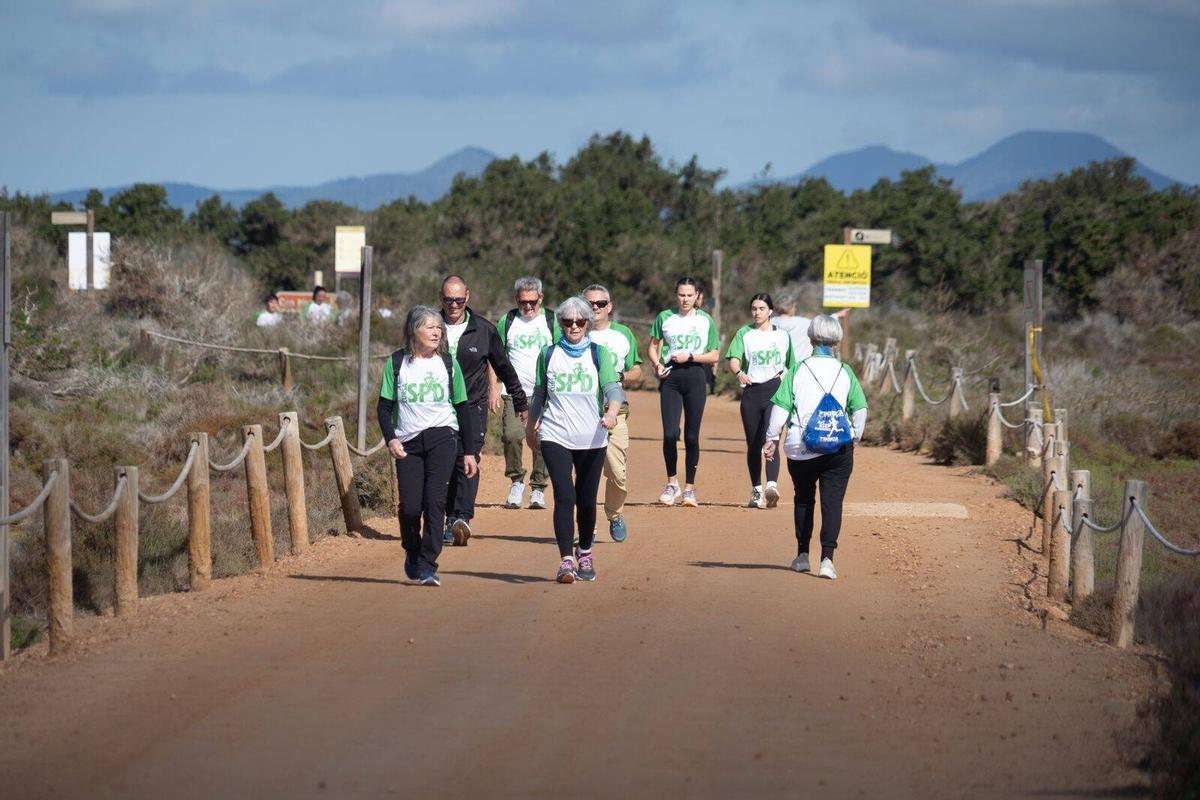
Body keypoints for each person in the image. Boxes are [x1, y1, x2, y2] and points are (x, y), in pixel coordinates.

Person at [377, 306, 479, 587]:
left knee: (435, 503)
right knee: (410, 507)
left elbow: (462, 407)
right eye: (430, 327)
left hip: (443, 437)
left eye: (439, 327)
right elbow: (384, 408)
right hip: (407, 442)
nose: (437, 332)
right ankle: (412, 549)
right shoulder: (397, 363)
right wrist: (391, 439)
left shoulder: (448, 363)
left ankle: (427, 564)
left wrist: (468, 451)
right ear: (414, 331)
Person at [525, 297, 624, 583]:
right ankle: (566, 560)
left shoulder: (598, 353)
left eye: (580, 321)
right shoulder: (548, 354)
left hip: (592, 437)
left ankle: (585, 552)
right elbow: (539, 395)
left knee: (586, 500)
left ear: (588, 323)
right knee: (564, 496)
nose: (574, 327)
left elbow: (613, 390)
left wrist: (612, 412)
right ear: (560, 324)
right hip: (556, 434)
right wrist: (532, 427)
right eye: (568, 322)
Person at [762, 314, 867, 580]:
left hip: (801, 448)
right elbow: (860, 409)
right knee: (832, 503)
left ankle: (801, 556)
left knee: (804, 498)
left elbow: (781, 407)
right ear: (837, 341)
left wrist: (771, 438)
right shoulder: (845, 372)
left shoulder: (798, 370)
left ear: (810, 339)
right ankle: (828, 561)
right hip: (838, 448)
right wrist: (855, 437)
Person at [438, 275, 527, 546]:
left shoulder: (483, 330)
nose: (453, 305)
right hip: (437, 406)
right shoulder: (429, 326)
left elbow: (503, 366)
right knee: (444, 462)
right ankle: (448, 517)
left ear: (468, 296)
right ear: (441, 299)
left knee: (467, 458)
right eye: (448, 299)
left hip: (472, 405)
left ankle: (460, 518)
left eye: (458, 299)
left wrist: (519, 399)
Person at [648, 277, 720, 507]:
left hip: (696, 376)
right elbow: (652, 346)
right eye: (681, 294)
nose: (685, 299)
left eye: (689, 295)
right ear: (676, 295)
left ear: (697, 295)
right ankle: (672, 484)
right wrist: (657, 364)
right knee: (670, 433)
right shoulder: (665, 317)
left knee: (691, 435)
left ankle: (689, 488)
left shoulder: (705, 320)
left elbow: (714, 355)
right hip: (671, 378)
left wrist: (690, 356)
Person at [582, 284, 642, 542]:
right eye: (590, 304)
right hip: (582, 412)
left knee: (617, 473)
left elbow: (638, 372)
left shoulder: (623, 334)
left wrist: (618, 376)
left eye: (601, 303)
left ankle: (614, 514)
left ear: (610, 306)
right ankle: (587, 526)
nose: (596, 308)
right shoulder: (575, 331)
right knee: (585, 473)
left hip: (615, 411)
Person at [725, 293, 794, 509]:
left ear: (770, 311)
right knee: (753, 443)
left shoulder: (782, 335)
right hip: (752, 391)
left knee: (771, 438)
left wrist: (784, 376)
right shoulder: (744, 333)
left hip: (774, 390)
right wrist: (738, 373)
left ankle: (771, 486)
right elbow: (734, 358)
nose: (757, 312)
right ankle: (756, 490)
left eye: (761, 308)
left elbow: (792, 364)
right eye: (754, 308)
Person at [497, 277, 560, 510]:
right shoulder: (508, 321)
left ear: (541, 298)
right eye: (523, 302)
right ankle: (516, 480)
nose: (528, 307)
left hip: (544, 392)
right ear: (517, 300)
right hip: (514, 392)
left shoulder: (552, 320)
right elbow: (496, 357)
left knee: (541, 439)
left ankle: (538, 487)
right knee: (512, 436)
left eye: (533, 302)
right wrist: (493, 387)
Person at [771, 293, 812, 360]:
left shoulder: (768, 323)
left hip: (775, 367)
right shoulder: (805, 323)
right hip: (799, 367)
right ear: (792, 308)